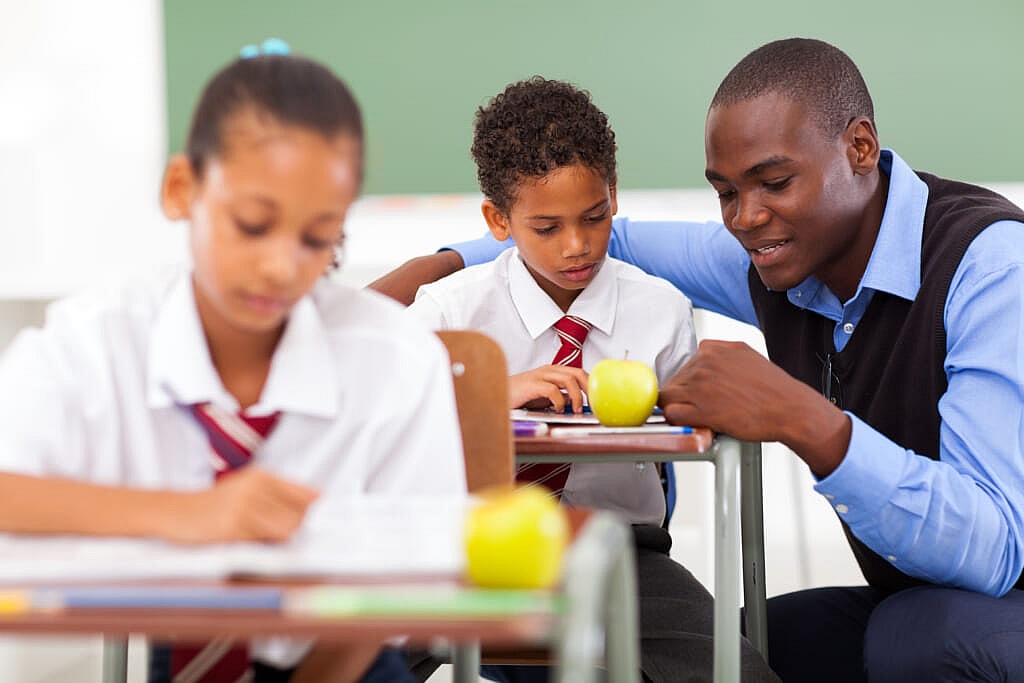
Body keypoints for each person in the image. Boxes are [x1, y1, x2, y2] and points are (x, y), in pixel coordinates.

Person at [370, 38, 1024, 683]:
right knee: (735, 651)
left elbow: (994, 552)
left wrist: (802, 417)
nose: (745, 219)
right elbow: (609, 241)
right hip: (912, 596)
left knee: (914, 641)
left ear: (859, 147)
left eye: (774, 182)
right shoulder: (776, 255)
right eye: (725, 193)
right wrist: (434, 271)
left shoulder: (991, 266)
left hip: (991, 598)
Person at [0, 42, 466, 683]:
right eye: (251, 225)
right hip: (183, 655)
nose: (281, 266)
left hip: (340, 658)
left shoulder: (395, 360)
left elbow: (406, 579)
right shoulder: (98, 341)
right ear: (181, 190)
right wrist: (188, 515)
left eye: (318, 238)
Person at [405, 76, 778, 683]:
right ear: (498, 220)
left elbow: (694, 435)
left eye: (595, 217)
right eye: (546, 228)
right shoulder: (450, 312)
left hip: (617, 554)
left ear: (614, 196)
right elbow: (379, 423)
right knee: (335, 651)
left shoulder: (660, 310)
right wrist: (488, 395)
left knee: (734, 670)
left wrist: (696, 403)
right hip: (464, 549)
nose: (577, 246)